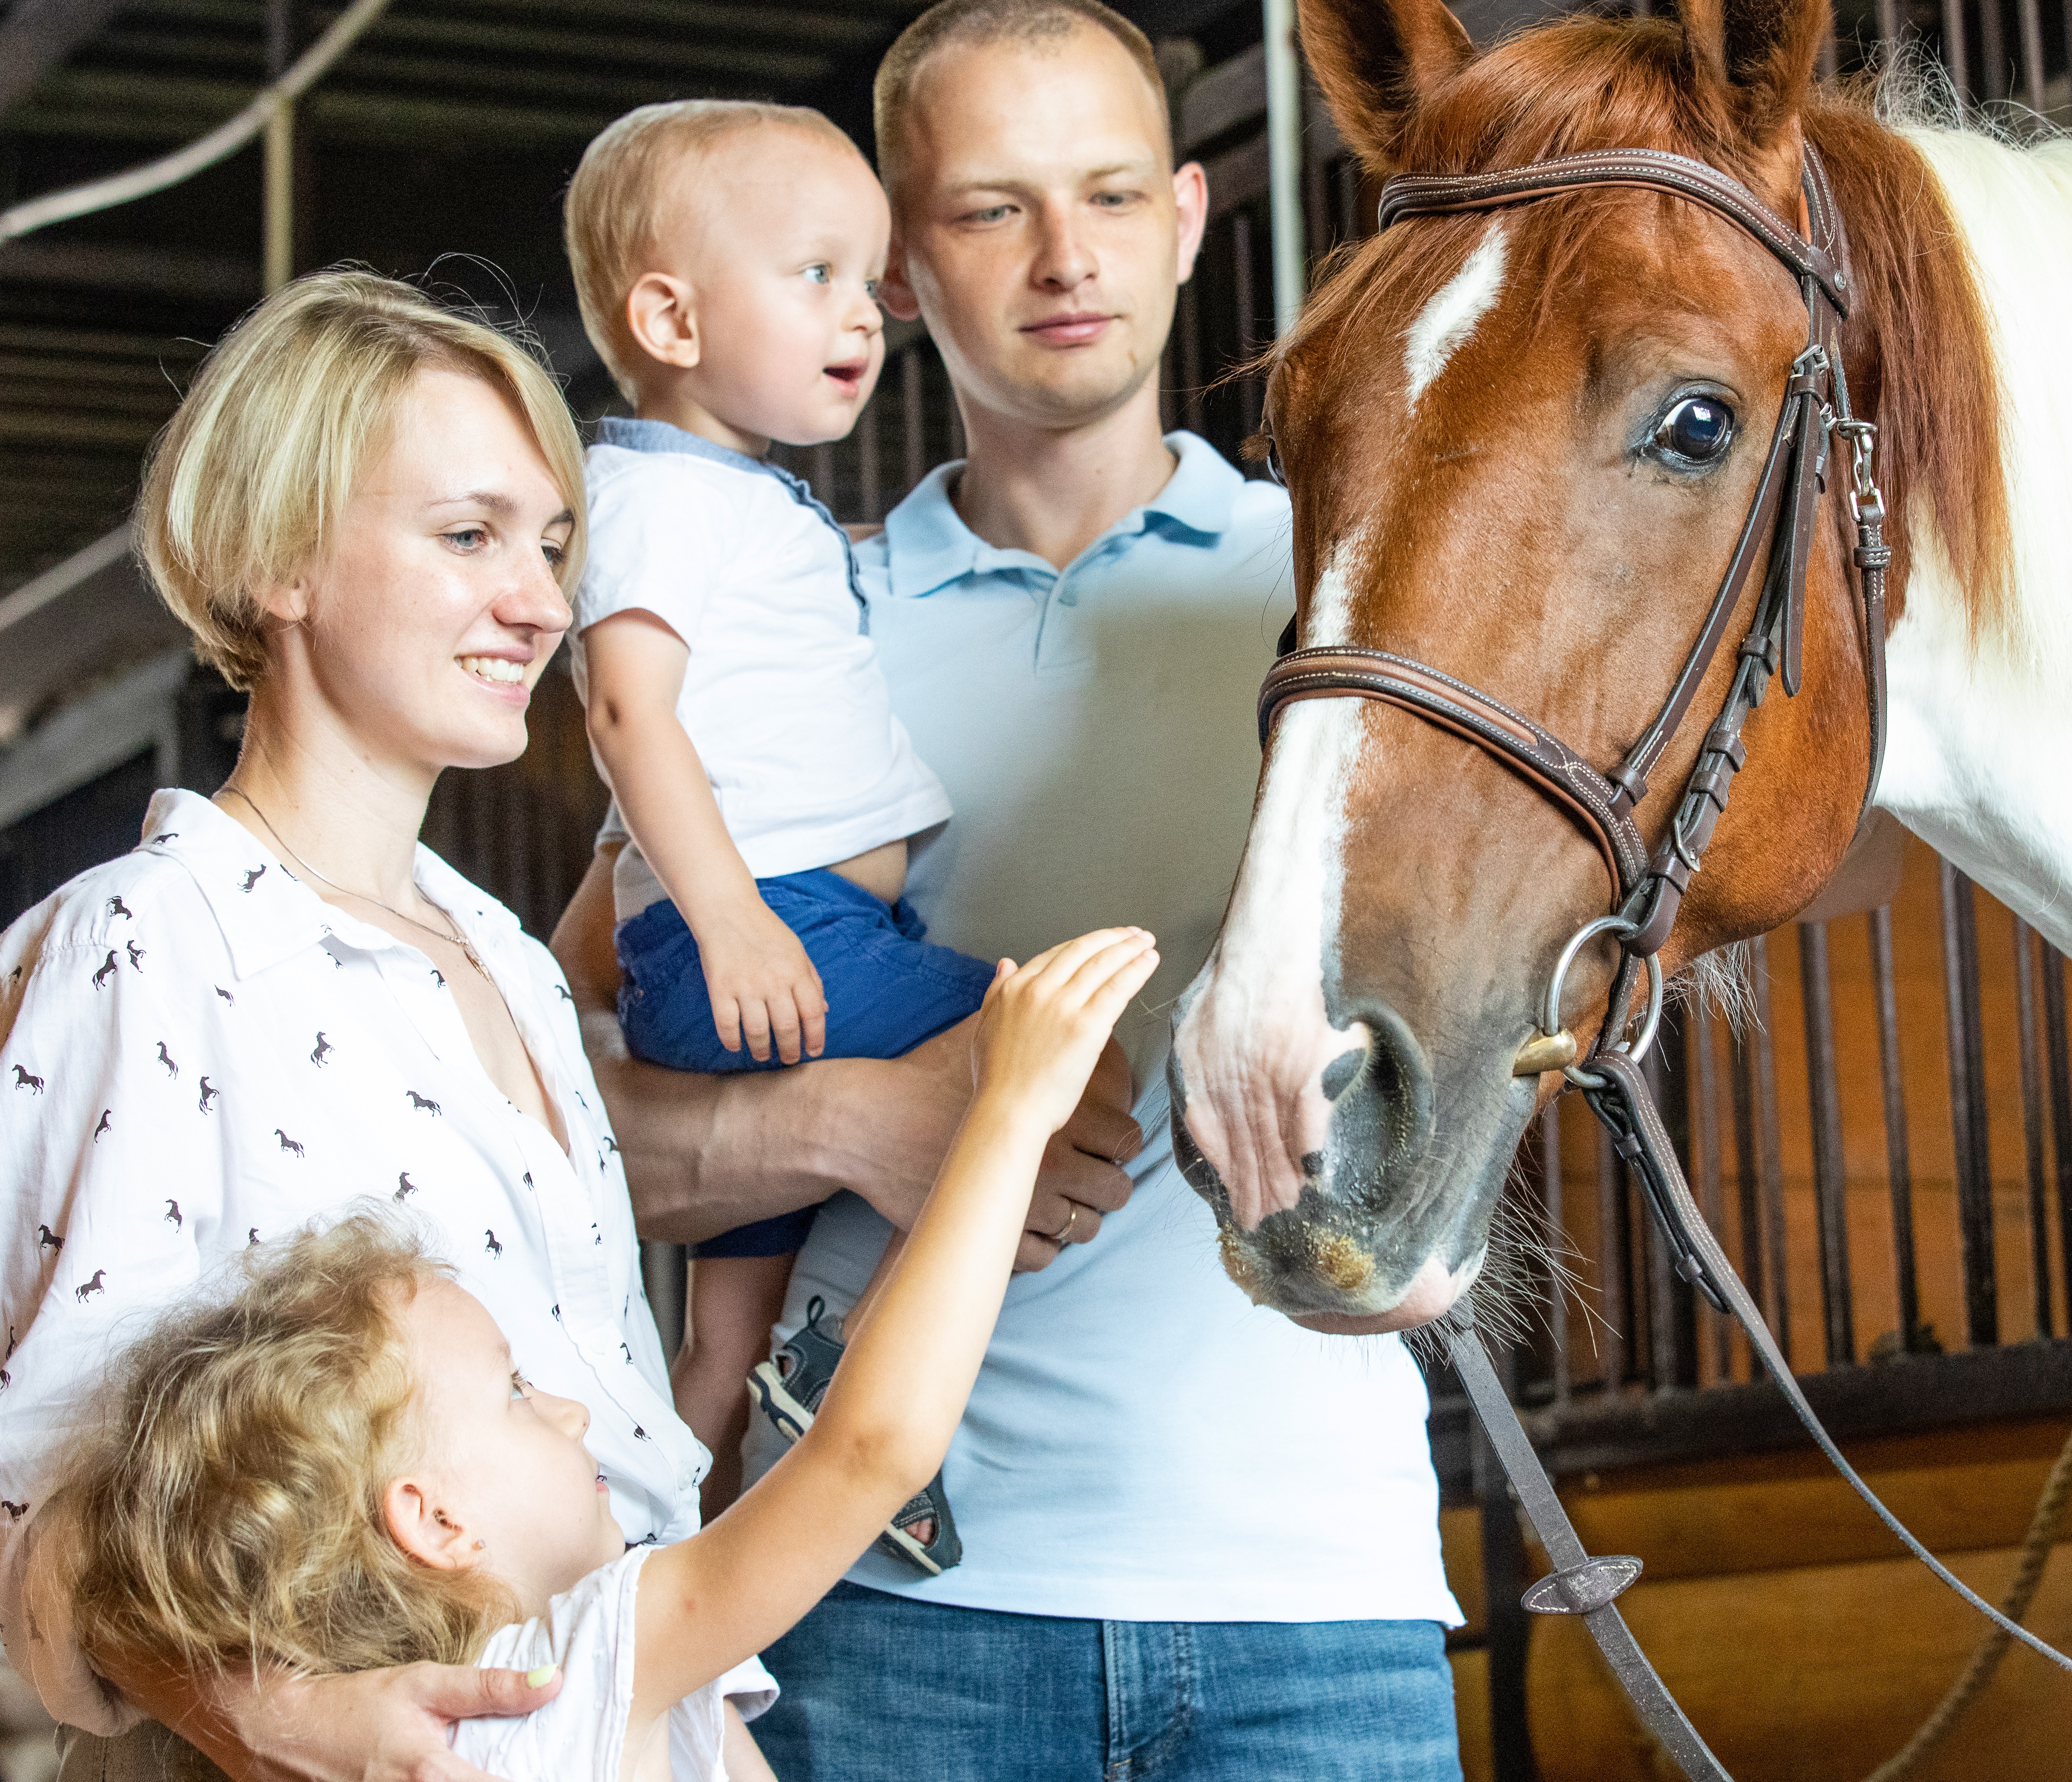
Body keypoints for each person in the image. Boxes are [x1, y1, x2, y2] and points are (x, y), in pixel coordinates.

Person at [552, 0, 1464, 1773]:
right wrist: (860, 1125)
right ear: (895, 268)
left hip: (1311, 1602)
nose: (1068, 258)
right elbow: (559, 1088)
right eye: (990, 211)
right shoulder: (796, 617)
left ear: (1190, 220)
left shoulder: (1353, 607)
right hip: (886, 1615)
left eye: (1114, 196)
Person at [0, 270, 765, 1782]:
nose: (537, 599)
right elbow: (53, 1517)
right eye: (468, 536)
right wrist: (292, 1717)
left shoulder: (507, 956)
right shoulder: (149, 940)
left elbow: (628, 1470)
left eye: (554, 544)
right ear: (280, 563)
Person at [50, 927, 1157, 1782]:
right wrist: (1008, 1112)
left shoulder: (436, 1734)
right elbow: (869, 1451)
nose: (576, 1417)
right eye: (519, 1397)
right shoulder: (554, 1678)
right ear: (434, 1519)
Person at [559, 100, 1018, 1564]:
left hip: (759, 932)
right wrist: (729, 920)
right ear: (669, 316)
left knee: (714, 1344)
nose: (866, 313)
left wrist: (622, 910)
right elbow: (631, 719)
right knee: (1040, 1049)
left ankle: (640, 1621)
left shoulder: (728, 499)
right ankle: (842, 1370)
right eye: (813, 272)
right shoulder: (660, 502)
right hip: (781, 936)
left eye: (871, 275)